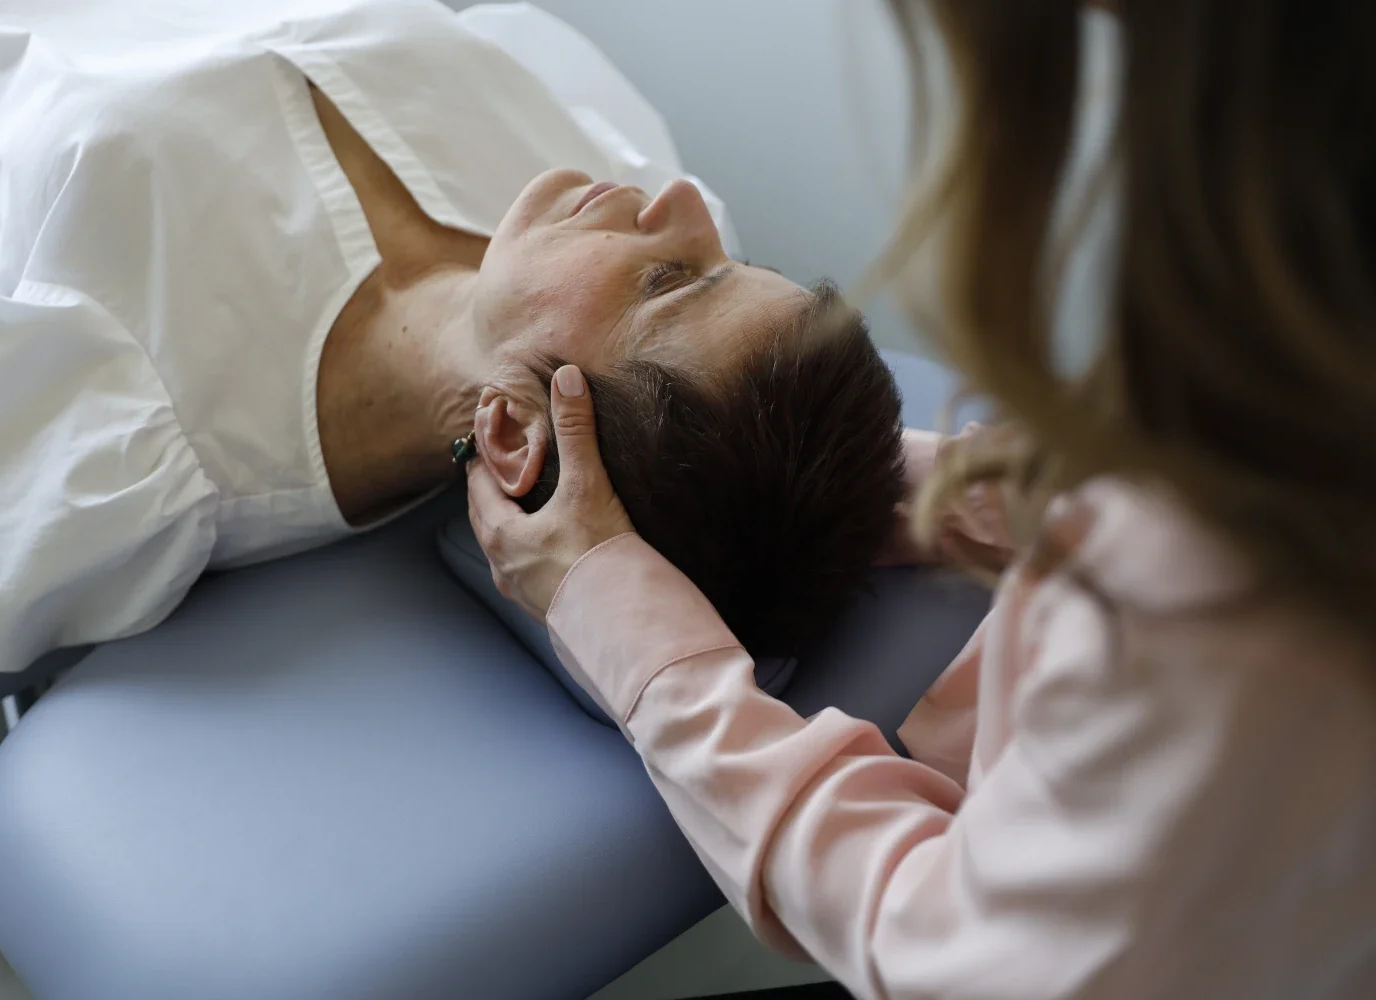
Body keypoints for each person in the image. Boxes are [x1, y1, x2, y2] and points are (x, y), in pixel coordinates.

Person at [467, 0, 1376, 997]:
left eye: (687, 276)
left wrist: (636, 637)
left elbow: (949, 956)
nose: (682, 196)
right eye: (685, 277)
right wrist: (906, 483)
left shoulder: (1217, 589)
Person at [0, 0, 904, 672]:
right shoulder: (574, 207)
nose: (679, 203)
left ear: (513, 435)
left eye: (677, 280)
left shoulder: (125, 447)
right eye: (731, 260)